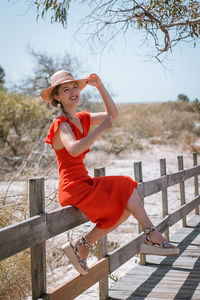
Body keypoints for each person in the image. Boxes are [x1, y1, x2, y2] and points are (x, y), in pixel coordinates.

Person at [41, 70, 179, 275]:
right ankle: (153, 235)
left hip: (84, 181)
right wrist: (100, 130)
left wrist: (100, 87)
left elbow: (112, 114)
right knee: (125, 185)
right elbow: (75, 149)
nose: (72, 92)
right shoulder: (60, 124)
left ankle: (83, 245)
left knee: (125, 205)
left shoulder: (82, 118)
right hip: (73, 187)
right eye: (66, 89)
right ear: (57, 97)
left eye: (75, 87)